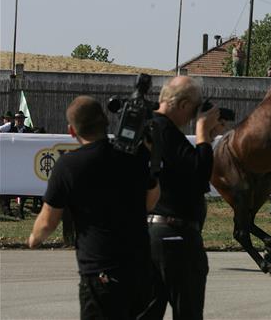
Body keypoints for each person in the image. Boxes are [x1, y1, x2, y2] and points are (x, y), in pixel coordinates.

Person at [28, 95, 160, 319]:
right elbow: (152, 199)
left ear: (72, 131)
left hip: (101, 272)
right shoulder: (135, 156)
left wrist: (34, 238)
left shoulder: (68, 166)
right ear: (106, 122)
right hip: (140, 269)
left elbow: (48, 220)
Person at [139, 75, 222, 320]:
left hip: (152, 235)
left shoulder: (151, 126)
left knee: (148, 310)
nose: (193, 117)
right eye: (194, 110)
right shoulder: (164, 130)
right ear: (184, 104)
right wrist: (203, 133)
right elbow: (198, 177)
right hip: (175, 237)